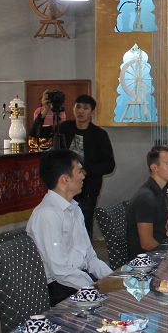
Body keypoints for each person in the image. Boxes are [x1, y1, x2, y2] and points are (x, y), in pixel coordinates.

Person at [27, 149, 112, 306]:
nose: (84, 176)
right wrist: (93, 288)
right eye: (79, 171)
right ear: (65, 179)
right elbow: (60, 271)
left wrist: (114, 279)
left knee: (126, 296)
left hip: (79, 280)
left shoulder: (74, 208)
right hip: (59, 289)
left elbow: (90, 257)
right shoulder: (47, 214)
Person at [58, 94, 115, 236]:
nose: (81, 111)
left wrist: (86, 171)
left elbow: (109, 164)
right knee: (62, 224)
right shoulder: (65, 128)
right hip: (64, 186)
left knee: (83, 223)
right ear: (73, 108)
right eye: (78, 107)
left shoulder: (99, 134)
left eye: (85, 108)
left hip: (88, 188)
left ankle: (85, 250)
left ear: (92, 112)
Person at [127, 145, 168, 257]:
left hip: (160, 250)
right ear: (154, 167)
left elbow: (164, 228)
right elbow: (147, 243)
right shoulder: (146, 197)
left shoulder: (162, 191)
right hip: (145, 258)